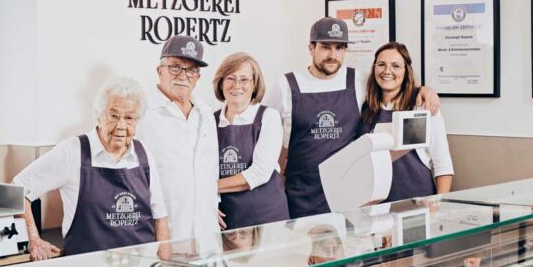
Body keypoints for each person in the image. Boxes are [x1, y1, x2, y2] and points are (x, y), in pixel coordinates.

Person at [273, 17, 440, 219]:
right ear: (311, 48)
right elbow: (274, 143)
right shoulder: (286, 85)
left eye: (339, 48)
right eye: (325, 47)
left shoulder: (358, 80)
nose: (332, 55)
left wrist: (424, 90)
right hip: (302, 193)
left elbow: (393, 82)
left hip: (348, 193)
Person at [14, 76, 170, 260]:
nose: (121, 126)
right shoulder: (72, 151)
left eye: (129, 118)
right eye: (113, 116)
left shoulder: (144, 155)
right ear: (99, 115)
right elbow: (18, 189)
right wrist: (33, 239)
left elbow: (160, 219)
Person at [137, 35, 220, 251]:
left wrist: (214, 204)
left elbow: (211, 169)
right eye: (175, 67)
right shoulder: (141, 113)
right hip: (164, 231)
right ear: (160, 70)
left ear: (198, 77)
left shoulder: (206, 113)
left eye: (191, 70)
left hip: (207, 232)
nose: (183, 76)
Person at [358, 42, 454, 200]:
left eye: (396, 66)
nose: (387, 71)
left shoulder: (421, 106)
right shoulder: (365, 108)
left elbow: (442, 162)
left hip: (418, 203)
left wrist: (438, 204)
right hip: (374, 203)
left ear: (406, 71)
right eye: (381, 64)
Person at [212, 52, 289, 229]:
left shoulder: (268, 116)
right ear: (221, 83)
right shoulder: (210, 121)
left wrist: (206, 190)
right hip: (227, 219)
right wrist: (209, 203)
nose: (237, 85)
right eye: (230, 78)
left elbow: (259, 173)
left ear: (255, 85)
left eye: (244, 79)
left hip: (267, 217)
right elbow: (205, 171)